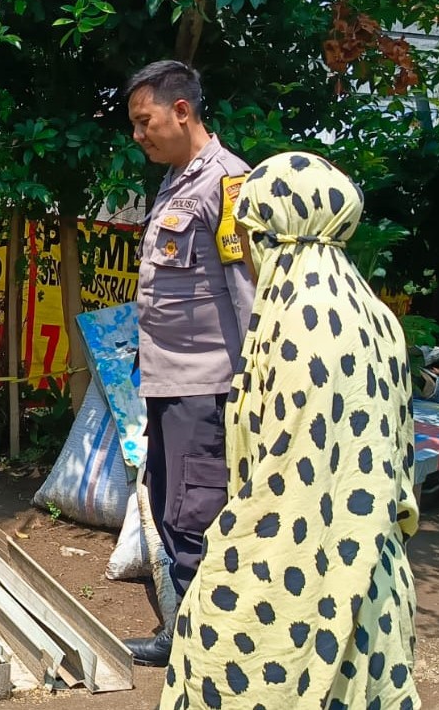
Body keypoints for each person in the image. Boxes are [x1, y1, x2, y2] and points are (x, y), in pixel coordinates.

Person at [159, 151, 420, 710]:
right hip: (373, 580)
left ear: (271, 238)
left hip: (297, 587)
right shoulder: (377, 318)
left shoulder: (298, 323)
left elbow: (284, 488)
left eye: (250, 236)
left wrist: (226, 566)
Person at [123, 60, 256, 666]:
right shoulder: (177, 181)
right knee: (171, 503)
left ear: (182, 111)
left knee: (199, 517)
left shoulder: (228, 184)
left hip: (209, 388)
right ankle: (188, 637)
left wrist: (254, 384)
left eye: (145, 121)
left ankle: (214, 657)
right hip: (170, 383)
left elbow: (249, 295)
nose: (138, 134)